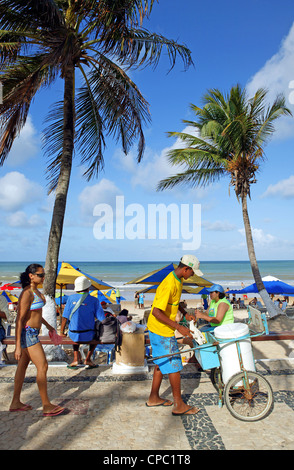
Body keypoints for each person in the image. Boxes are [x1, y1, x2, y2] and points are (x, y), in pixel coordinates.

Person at [146, 254, 202, 416]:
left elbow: (174, 302)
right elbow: (156, 311)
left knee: (161, 362)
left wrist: (184, 314)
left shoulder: (179, 279)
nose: (192, 275)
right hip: (161, 330)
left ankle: (154, 397)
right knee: (174, 365)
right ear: (186, 269)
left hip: (159, 328)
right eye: (192, 272)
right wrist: (179, 327)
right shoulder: (169, 284)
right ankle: (179, 405)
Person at [9, 264, 65, 417]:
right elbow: (20, 319)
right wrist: (17, 346)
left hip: (32, 333)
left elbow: (36, 314)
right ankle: (46, 405)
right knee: (43, 366)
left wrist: (48, 326)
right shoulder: (26, 293)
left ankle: (15, 402)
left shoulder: (36, 291)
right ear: (31, 276)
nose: (43, 277)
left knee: (22, 367)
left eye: (44, 274)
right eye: (40, 275)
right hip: (27, 334)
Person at [61, 276, 105, 369]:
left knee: (74, 329)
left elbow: (65, 317)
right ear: (88, 288)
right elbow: (102, 318)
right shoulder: (94, 300)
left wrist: (61, 333)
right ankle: (88, 358)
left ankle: (76, 358)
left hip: (73, 334)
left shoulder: (70, 298)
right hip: (88, 334)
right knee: (97, 336)